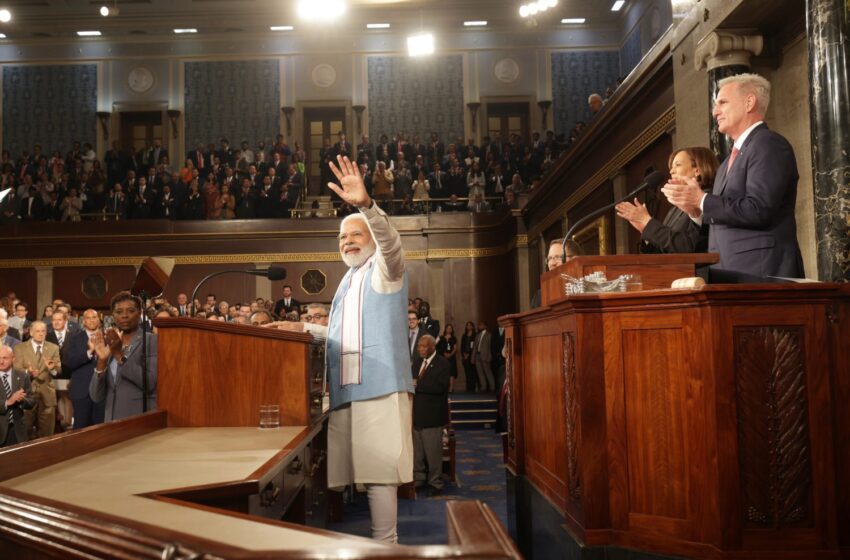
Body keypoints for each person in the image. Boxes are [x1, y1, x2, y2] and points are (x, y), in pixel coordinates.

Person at [271, 155, 414, 543]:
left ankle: (388, 545)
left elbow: (392, 245)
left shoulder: (385, 271)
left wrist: (367, 206)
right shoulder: (347, 282)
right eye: (341, 238)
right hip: (348, 392)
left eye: (355, 235)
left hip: (380, 388)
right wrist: (297, 327)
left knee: (380, 473)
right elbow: (338, 337)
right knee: (359, 474)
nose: (347, 242)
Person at [661, 73, 804, 280]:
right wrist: (696, 211)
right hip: (728, 274)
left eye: (723, 102)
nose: (715, 111)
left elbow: (759, 209)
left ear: (749, 102)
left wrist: (701, 199)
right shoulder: (728, 161)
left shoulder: (768, 144)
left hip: (762, 274)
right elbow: (723, 219)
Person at [617, 148, 718, 254]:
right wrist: (645, 230)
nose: (671, 171)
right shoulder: (674, 210)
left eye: (678, 165)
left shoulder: (709, 200)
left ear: (697, 170)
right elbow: (663, 253)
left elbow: (689, 248)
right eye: (671, 167)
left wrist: (647, 222)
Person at [89, 291, 157, 422]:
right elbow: (96, 396)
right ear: (113, 316)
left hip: (138, 419)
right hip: (111, 421)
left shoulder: (151, 341)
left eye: (130, 311)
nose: (124, 316)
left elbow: (149, 382)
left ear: (139, 313)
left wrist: (119, 355)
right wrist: (102, 362)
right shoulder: (110, 343)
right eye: (119, 312)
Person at [410, 335, 451, 495]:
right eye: (419, 346)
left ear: (433, 347)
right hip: (417, 415)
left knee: (433, 452)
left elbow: (440, 387)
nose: (420, 349)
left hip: (433, 416)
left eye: (424, 346)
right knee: (418, 452)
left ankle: (435, 482)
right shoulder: (417, 363)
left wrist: (418, 385)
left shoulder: (442, 364)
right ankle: (419, 478)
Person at [14, 320, 61, 437]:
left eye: (43, 331)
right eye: (37, 331)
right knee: (25, 431)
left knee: (47, 433)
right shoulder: (20, 348)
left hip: (47, 396)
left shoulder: (53, 348)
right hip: (27, 395)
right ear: (30, 332)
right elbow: (16, 370)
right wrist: (27, 373)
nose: (41, 334)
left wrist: (52, 368)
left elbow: (58, 370)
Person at [530, 238, 582, 308]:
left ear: (575, 259)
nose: (552, 263)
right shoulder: (540, 296)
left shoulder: (587, 289)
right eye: (550, 258)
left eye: (558, 257)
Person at [1, 345, 36, 447]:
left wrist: (22, 400)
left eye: (5, 358)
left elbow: (31, 401)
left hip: (18, 430)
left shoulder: (22, 376)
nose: (1, 361)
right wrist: (8, 402)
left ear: (13, 359)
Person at [436, 324, 458, 390]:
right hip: (442, 358)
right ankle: (443, 388)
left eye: (450, 328)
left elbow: (455, 348)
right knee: (443, 372)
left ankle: (451, 388)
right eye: (448, 328)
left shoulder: (454, 338)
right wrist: (443, 353)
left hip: (452, 358)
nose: (449, 329)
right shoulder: (440, 337)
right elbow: (435, 345)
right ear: (445, 329)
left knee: (452, 373)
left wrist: (450, 354)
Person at [460, 321, 477, 393]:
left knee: (472, 373)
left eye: (470, 325)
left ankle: (473, 388)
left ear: (473, 327)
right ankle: (468, 388)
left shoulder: (475, 335)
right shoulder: (464, 336)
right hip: (465, 356)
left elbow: (474, 347)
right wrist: (464, 354)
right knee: (467, 373)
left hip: (472, 356)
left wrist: (469, 354)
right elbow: (462, 346)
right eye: (467, 325)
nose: (469, 327)